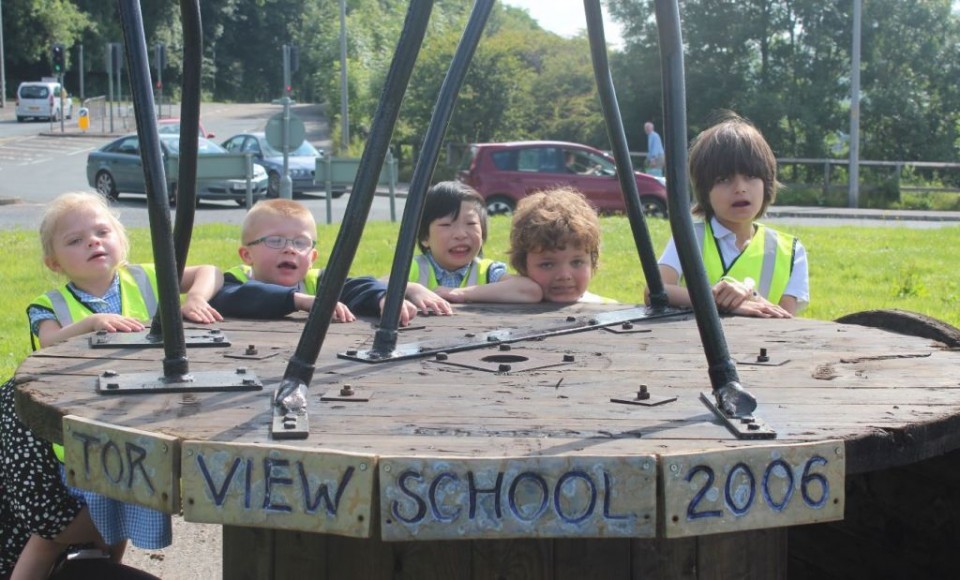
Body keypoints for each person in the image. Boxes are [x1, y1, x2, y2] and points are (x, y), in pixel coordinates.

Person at [25, 191, 224, 564]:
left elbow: (210, 271)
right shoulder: (50, 303)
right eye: (75, 240)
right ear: (54, 262)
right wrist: (90, 324)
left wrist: (196, 297)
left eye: (103, 231)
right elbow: (47, 342)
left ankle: (107, 569)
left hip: (138, 422)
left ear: (121, 239)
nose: (93, 242)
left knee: (124, 510)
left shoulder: (144, 278)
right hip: (79, 430)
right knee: (56, 532)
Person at [652, 113, 809, 317]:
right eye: (724, 179)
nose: (740, 188)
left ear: (767, 182)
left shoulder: (791, 251)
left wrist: (748, 297)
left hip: (763, 348)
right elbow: (656, 291)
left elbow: (786, 319)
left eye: (751, 176)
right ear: (704, 191)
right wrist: (715, 300)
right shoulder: (689, 237)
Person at [211, 199, 450, 322]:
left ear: (312, 257)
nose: (289, 250)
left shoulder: (316, 281)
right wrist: (299, 301)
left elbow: (358, 286)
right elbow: (234, 297)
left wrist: (384, 299)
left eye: (300, 243)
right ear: (246, 255)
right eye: (275, 241)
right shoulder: (233, 280)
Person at [507, 187, 615, 304]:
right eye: (547, 265)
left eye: (577, 262)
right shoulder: (506, 305)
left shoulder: (610, 310)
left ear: (592, 262)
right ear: (523, 266)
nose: (564, 275)